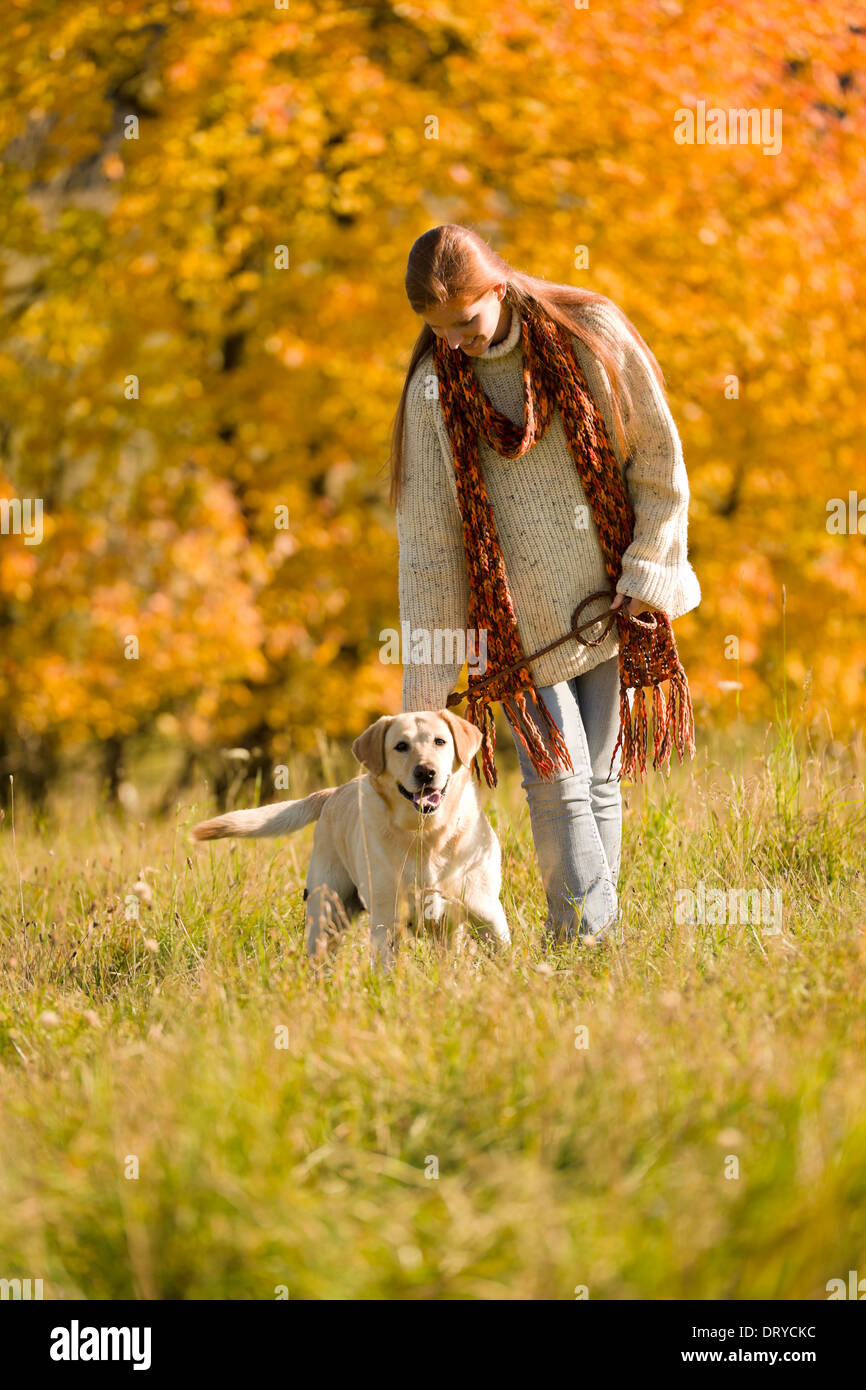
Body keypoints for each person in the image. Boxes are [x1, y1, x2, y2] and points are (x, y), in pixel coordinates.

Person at [388, 225, 700, 945]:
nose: (456, 341)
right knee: (556, 786)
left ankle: (595, 942)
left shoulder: (588, 333)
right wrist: (424, 700)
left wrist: (646, 574)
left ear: (498, 286)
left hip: (606, 603)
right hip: (512, 627)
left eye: (466, 321)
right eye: (439, 330)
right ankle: (584, 938)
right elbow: (432, 550)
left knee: (597, 782)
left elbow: (656, 456)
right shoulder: (434, 390)